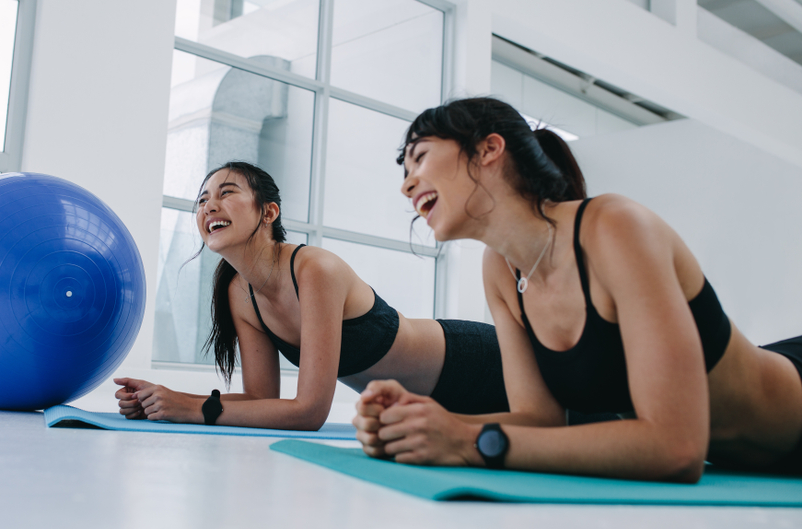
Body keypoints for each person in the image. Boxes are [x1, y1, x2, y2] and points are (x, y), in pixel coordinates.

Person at [353, 97, 802, 481]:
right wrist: (420, 423)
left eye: (421, 156)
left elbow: (678, 447)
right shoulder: (500, 270)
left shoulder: (614, 227)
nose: (406, 183)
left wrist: (468, 441)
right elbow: (540, 420)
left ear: (489, 149)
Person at [114, 161, 508, 430]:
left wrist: (191, 410)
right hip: (431, 410)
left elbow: (309, 412)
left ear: (269, 213)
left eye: (226, 192)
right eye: (201, 200)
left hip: (478, 364)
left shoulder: (314, 269)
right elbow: (261, 398)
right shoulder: (240, 293)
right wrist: (167, 400)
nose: (208, 206)